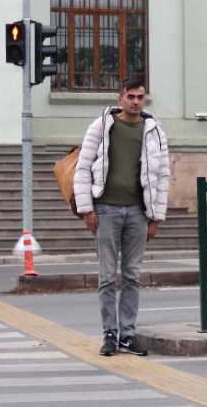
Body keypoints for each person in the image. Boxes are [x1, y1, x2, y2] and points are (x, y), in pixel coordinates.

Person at [73, 78, 170, 357]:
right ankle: (110, 334)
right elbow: (83, 169)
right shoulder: (102, 126)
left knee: (132, 276)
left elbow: (162, 175)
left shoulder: (154, 131)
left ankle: (128, 334)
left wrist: (156, 217)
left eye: (140, 97)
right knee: (107, 276)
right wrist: (87, 209)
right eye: (131, 96)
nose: (136, 102)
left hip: (138, 212)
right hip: (106, 209)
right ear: (120, 99)